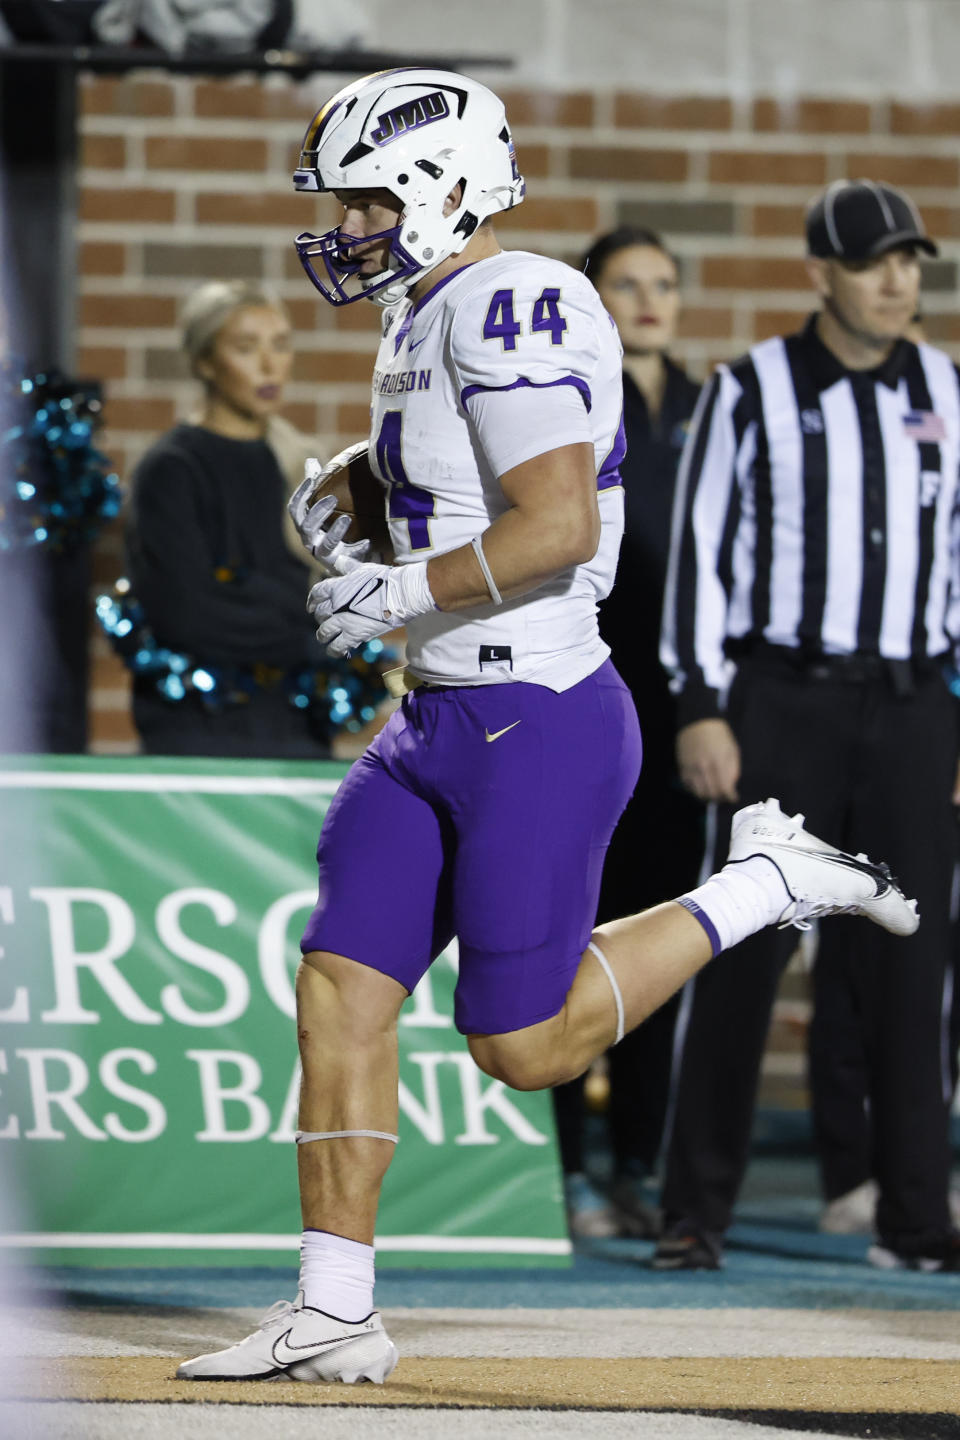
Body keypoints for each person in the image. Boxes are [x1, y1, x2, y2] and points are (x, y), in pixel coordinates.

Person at [177, 78, 919, 1386]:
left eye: (367, 195)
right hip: (437, 719)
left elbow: (560, 524)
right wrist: (364, 489)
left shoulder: (519, 298)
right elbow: (468, 473)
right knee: (340, 986)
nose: (345, 223)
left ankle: (762, 883)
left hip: (540, 716)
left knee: (522, 1049)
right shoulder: (427, 312)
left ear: (447, 187)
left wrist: (396, 588)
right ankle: (336, 1306)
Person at [657, 179, 960, 1274]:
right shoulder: (752, 390)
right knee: (738, 951)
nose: (898, 282)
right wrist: (700, 703)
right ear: (820, 272)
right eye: (875, 261)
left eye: (911, 261)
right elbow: (698, 554)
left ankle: (916, 1222)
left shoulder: (948, 389)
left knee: (913, 962)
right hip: (782, 703)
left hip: (917, 706)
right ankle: (693, 1212)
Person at [551, 227, 704, 1239]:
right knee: (563, 931)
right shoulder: (563, 404)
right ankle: (563, 1167)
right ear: (593, 300)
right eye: (625, 285)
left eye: (663, 285)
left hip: (683, 718)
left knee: (655, 935)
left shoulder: (711, 414)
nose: (647, 302)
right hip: (576, 702)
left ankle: (641, 1161)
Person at [125, 280, 332, 758]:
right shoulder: (172, 469)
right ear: (205, 363)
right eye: (245, 347)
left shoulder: (303, 462)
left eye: (280, 345)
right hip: (201, 729)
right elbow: (189, 615)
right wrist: (304, 620)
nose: (268, 365)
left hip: (297, 725)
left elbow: (337, 592)